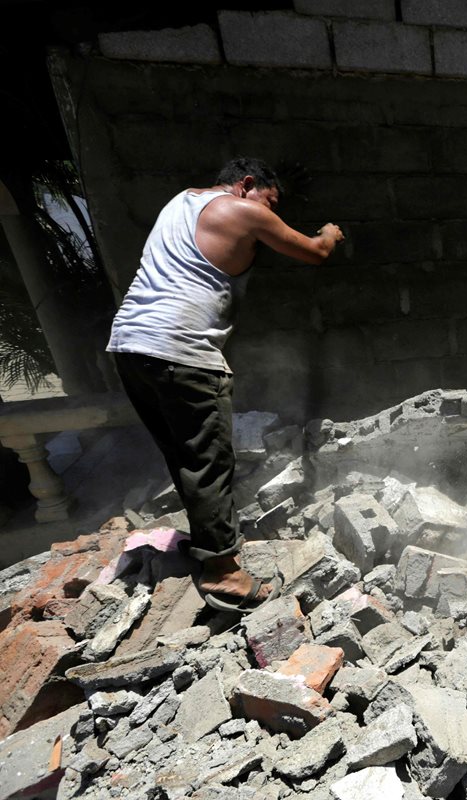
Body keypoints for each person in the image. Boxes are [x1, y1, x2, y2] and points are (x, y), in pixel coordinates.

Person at [107, 157, 344, 611]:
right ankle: (222, 572)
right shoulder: (243, 209)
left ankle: (208, 543)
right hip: (181, 350)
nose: (270, 214)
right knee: (209, 459)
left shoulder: (179, 202)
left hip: (131, 345)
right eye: (270, 202)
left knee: (183, 454)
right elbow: (315, 251)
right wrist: (330, 233)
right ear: (247, 185)